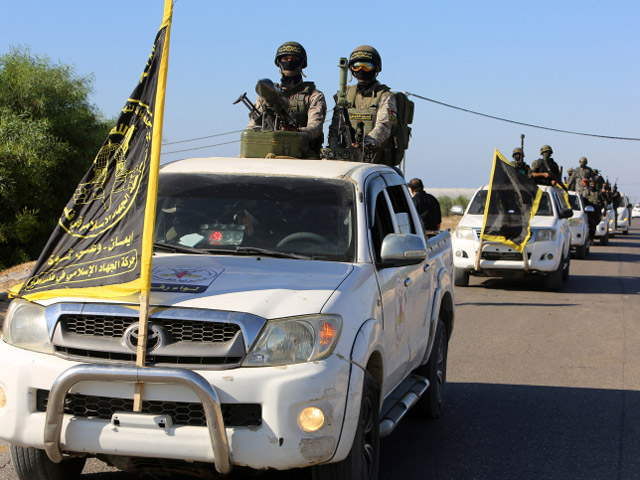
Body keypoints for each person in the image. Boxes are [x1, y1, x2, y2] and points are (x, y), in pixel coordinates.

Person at [248, 41, 327, 156]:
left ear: (301, 63)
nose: (289, 61)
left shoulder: (313, 95)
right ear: (279, 63)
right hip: (268, 154)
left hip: (303, 157)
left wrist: (295, 132)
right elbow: (252, 127)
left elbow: (315, 128)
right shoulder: (267, 94)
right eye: (285, 58)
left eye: (294, 58)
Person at [327, 45, 397, 165]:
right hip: (345, 160)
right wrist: (334, 151)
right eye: (357, 66)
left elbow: (384, 127)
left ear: (376, 69)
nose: (361, 70)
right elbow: (335, 128)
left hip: (375, 161)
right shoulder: (345, 95)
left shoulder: (385, 96)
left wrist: (365, 145)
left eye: (366, 67)